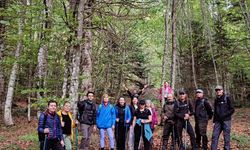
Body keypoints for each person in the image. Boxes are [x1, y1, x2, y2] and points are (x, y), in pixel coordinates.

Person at [211, 85, 235, 150]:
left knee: (226, 137)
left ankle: (227, 148)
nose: (218, 91)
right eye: (217, 90)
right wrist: (214, 121)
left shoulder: (227, 98)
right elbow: (215, 111)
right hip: (217, 121)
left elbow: (232, 109)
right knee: (214, 136)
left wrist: (224, 115)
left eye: (219, 90)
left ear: (222, 90)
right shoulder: (216, 100)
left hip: (226, 121)